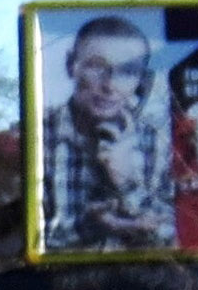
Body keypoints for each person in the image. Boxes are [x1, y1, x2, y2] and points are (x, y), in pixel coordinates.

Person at [41, 13, 173, 252]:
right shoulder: (40, 138)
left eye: (128, 71)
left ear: (142, 80)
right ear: (72, 65)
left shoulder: (159, 142)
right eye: (97, 66)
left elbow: (176, 236)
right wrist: (93, 227)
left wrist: (125, 183)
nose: (110, 85)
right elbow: (33, 238)